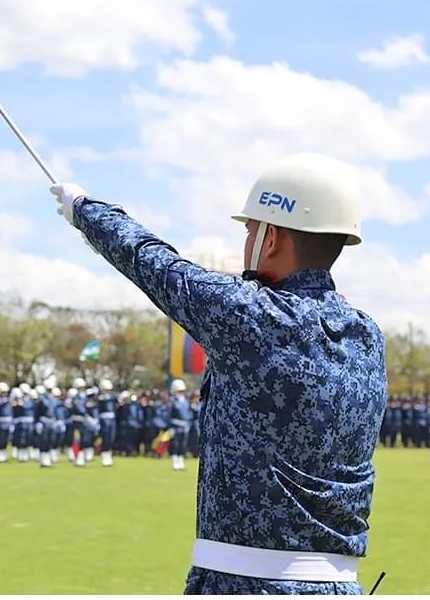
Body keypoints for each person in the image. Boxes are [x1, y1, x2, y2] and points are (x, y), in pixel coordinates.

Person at [50, 152, 385, 593]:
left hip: (246, 583)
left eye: (250, 229)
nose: (247, 240)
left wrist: (85, 210)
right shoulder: (367, 335)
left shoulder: (255, 315)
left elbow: (156, 264)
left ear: (272, 238)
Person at [169, 379, 193, 471]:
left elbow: (188, 414)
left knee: (183, 445)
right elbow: (170, 415)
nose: (181, 392)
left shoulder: (185, 401)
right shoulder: (173, 401)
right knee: (176, 444)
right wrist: (171, 427)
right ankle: (175, 462)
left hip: (185, 426)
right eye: (179, 391)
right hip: (176, 425)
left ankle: (181, 462)